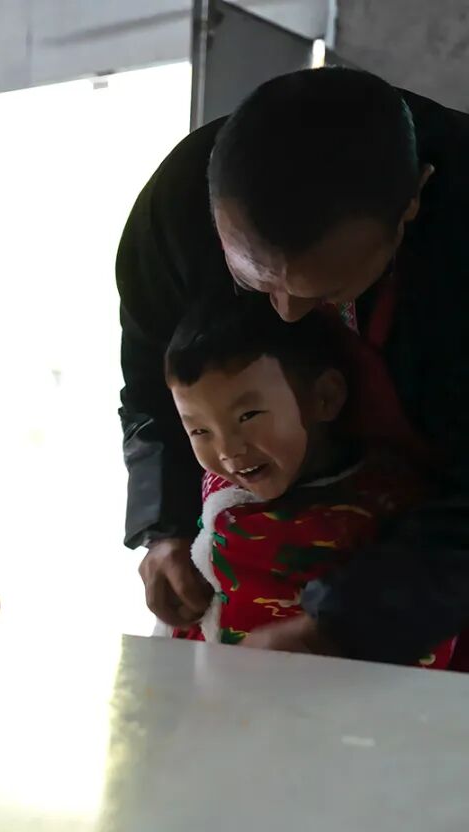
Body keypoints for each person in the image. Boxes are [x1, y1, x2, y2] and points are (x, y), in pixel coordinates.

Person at [117, 66, 469, 665]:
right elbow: (154, 386)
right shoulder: (173, 214)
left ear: (413, 201)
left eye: (325, 291)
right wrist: (165, 524)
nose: (286, 314)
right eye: (255, 281)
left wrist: (349, 624)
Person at [159, 295, 454, 668]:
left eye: (248, 416)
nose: (228, 450)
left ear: (325, 398)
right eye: (199, 430)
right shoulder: (217, 486)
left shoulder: (387, 509)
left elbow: (423, 636)